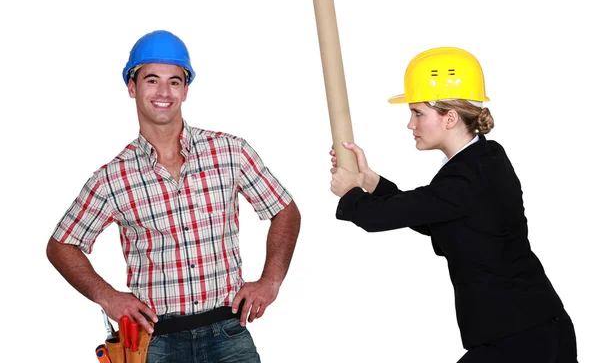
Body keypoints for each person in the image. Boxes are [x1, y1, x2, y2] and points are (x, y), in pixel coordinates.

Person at [47, 30, 301, 363]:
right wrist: (107, 297)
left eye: (175, 82)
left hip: (227, 330)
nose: (164, 92)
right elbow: (61, 245)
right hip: (158, 343)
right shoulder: (113, 177)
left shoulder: (229, 152)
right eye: (152, 80)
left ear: (185, 89)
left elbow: (285, 210)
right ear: (132, 87)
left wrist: (270, 281)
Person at [329, 47, 577, 362]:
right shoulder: (482, 161)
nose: (410, 124)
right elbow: (430, 213)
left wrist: (350, 193)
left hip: (523, 340)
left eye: (418, 113)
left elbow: (381, 217)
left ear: (449, 117)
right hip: (529, 331)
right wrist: (368, 181)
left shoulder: (469, 176)